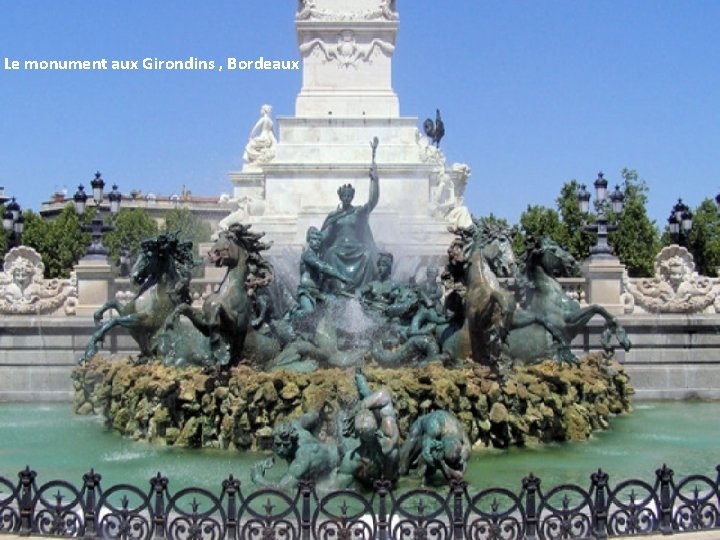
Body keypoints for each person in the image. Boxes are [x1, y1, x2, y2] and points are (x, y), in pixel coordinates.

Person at [319, 162, 379, 293]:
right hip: (338, 248)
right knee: (330, 254)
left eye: (349, 196)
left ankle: (363, 292)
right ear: (340, 197)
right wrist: (318, 237)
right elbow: (326, 234)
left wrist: (375, 180)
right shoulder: (334, 216)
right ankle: (337, 290)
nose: (347, 198)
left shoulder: (358, 212)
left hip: (356, 247)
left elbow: (373, 202)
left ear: (352, 197)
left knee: (368, 256)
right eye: (344, 196)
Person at [251, 412, 339, 491]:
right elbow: (314, 415)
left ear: (293, 442)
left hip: (337, 464)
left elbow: (282, 489)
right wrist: (316, 434)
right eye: (278, 444)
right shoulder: (295, 426)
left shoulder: (302, 457)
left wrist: (258, 478)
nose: (281, 450)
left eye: (286, 445)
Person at [290, 226, 351, 321]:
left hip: (318, 292)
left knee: (335, 303)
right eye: (314, 239)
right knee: (308, 311)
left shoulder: (317, 256)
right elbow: (323, 267)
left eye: (319, 239)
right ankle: (290, 317)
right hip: (306, 291)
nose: (317, 242)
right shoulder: (308, 255)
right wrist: (341, 277)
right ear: (308, 240)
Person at [398, 410, 471, 484]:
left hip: (442, 434)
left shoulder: (465, 445)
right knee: (403, 464)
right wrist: (443, 464)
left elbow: (463, 464)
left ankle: (428, 476)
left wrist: (456, 472)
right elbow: (426, 454)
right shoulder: (434, 428)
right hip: (420, 427)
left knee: (433, 471)